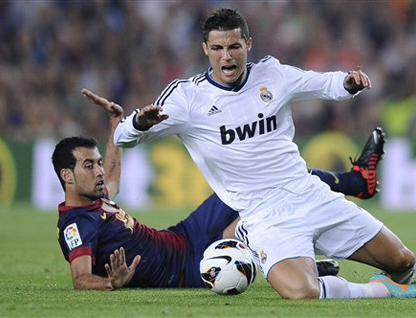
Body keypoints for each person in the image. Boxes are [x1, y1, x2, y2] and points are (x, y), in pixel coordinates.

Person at [112, 8, 416, 299]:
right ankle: (382, 291)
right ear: (205, 50)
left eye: (233, 47)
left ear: (248, 45)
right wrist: (139, 123)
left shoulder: (271, 73)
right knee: (301, 292)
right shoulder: (186, 98)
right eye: (217, 48)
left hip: (309, 193)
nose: (226, 56)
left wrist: (348, 83)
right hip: (263, 216)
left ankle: (385, 279)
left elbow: (320, 83)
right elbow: (121, 136)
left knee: (403, 262)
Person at [54, 89, 384, 290]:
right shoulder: (76, 224)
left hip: (183, 236)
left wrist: (116, 122)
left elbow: (111, 179)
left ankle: (356, 182)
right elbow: (80, 277)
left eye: (97, 162)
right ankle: (299, 261)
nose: (99, 171)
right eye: (89, 166)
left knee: (264, 178)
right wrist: (109, 283)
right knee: (254, 217)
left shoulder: (96, 201)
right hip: (187, 268)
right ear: (67, 177)